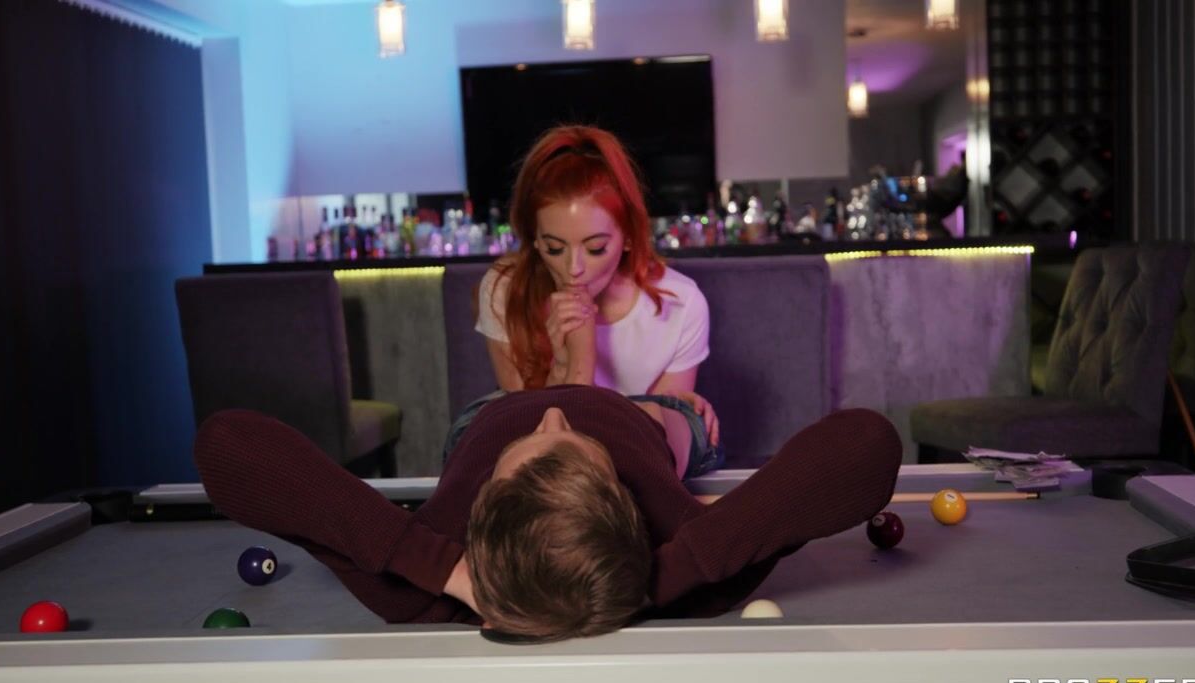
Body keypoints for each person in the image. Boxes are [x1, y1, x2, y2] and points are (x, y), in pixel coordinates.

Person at [196, 386, 902, 643]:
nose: (555, 415)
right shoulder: (689, 558)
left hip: (489, 413)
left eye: (541, 441)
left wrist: (443, 569)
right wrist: (658, 575)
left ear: (480, 505)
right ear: (626, 503)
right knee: (685, 421)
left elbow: (227, 445)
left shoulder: (419, 585)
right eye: (567, 441)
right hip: (638, 411)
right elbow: (865, 445)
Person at [468, 125, 719, 455]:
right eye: (554, 248)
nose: (574, 268)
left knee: (688, 423)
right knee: (478, 426)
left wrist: (673, 415)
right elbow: (531, 438)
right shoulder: (504, 289)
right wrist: (567, 364)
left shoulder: (681, 303)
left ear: (628, 236)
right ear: (534, 239)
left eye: (596, 248)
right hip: (544, 448)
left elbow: (655, 443)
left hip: (629, 446)